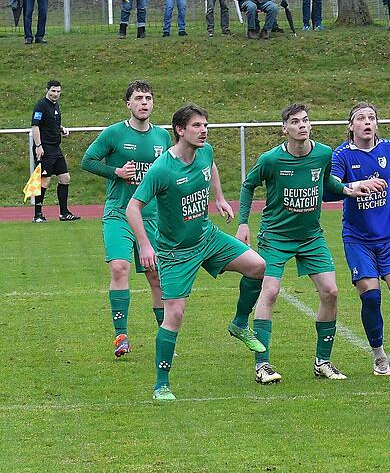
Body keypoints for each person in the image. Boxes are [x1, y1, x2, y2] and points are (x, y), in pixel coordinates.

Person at [126, 104, 268, 401]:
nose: (203, 130)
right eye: (197, 126)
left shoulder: (205, 151)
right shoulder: (162, 169)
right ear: (180, 130)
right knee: (174, 315)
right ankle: (161, 384)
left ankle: (240, 324)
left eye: (206, 125)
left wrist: (219, 198)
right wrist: (146, 244)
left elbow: (211, 167)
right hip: (176, 252)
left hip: (207, 237)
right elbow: (133, 208)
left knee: (257, 265)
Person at [237, 104, 386, 385]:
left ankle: (323, 362)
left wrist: (349, 189)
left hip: (311, 236)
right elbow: (248, 185)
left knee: (330, 292)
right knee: (269, 292)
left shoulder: (323, 153)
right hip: (276, 235)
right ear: (285, 129)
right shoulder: (270, 160)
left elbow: (325, 181)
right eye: (295, 122)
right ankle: (262, 365)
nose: (302, 126)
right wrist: (243, 222)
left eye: (305, 121)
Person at [81, 81, 171, 358]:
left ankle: (164, 336)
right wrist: (116, 172)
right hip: (119, 213)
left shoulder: (163, 137)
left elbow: (171, 172)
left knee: (156, 276)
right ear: (128, 104)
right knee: (119, 267)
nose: (144, 103)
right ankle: (121, 335)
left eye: (148, 98)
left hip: (151, 217)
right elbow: (88, 161)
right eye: (138, 98)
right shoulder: (114, 133)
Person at [330, 102, 390, 377]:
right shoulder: (342, 155)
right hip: (358, 239)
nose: (367, 122)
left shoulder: (389, 149)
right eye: (361, 118)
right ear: (351, 126)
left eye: (371, 118)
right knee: (371, 298)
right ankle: (379, 355)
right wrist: (355, 187)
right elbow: (332, 187)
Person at [31, 79, 80, 223]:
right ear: (47, 90)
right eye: (53, 91)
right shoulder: (41, 106)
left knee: (65, 178)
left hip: (56, 148)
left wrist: (61, 128)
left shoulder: (55, 105)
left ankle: (64, 213)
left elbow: (52, 123)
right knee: (44, 180)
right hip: (45, 148)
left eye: (58, 91)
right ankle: (37, 215)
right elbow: (35, 126)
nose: (56, 94)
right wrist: (39, 146)